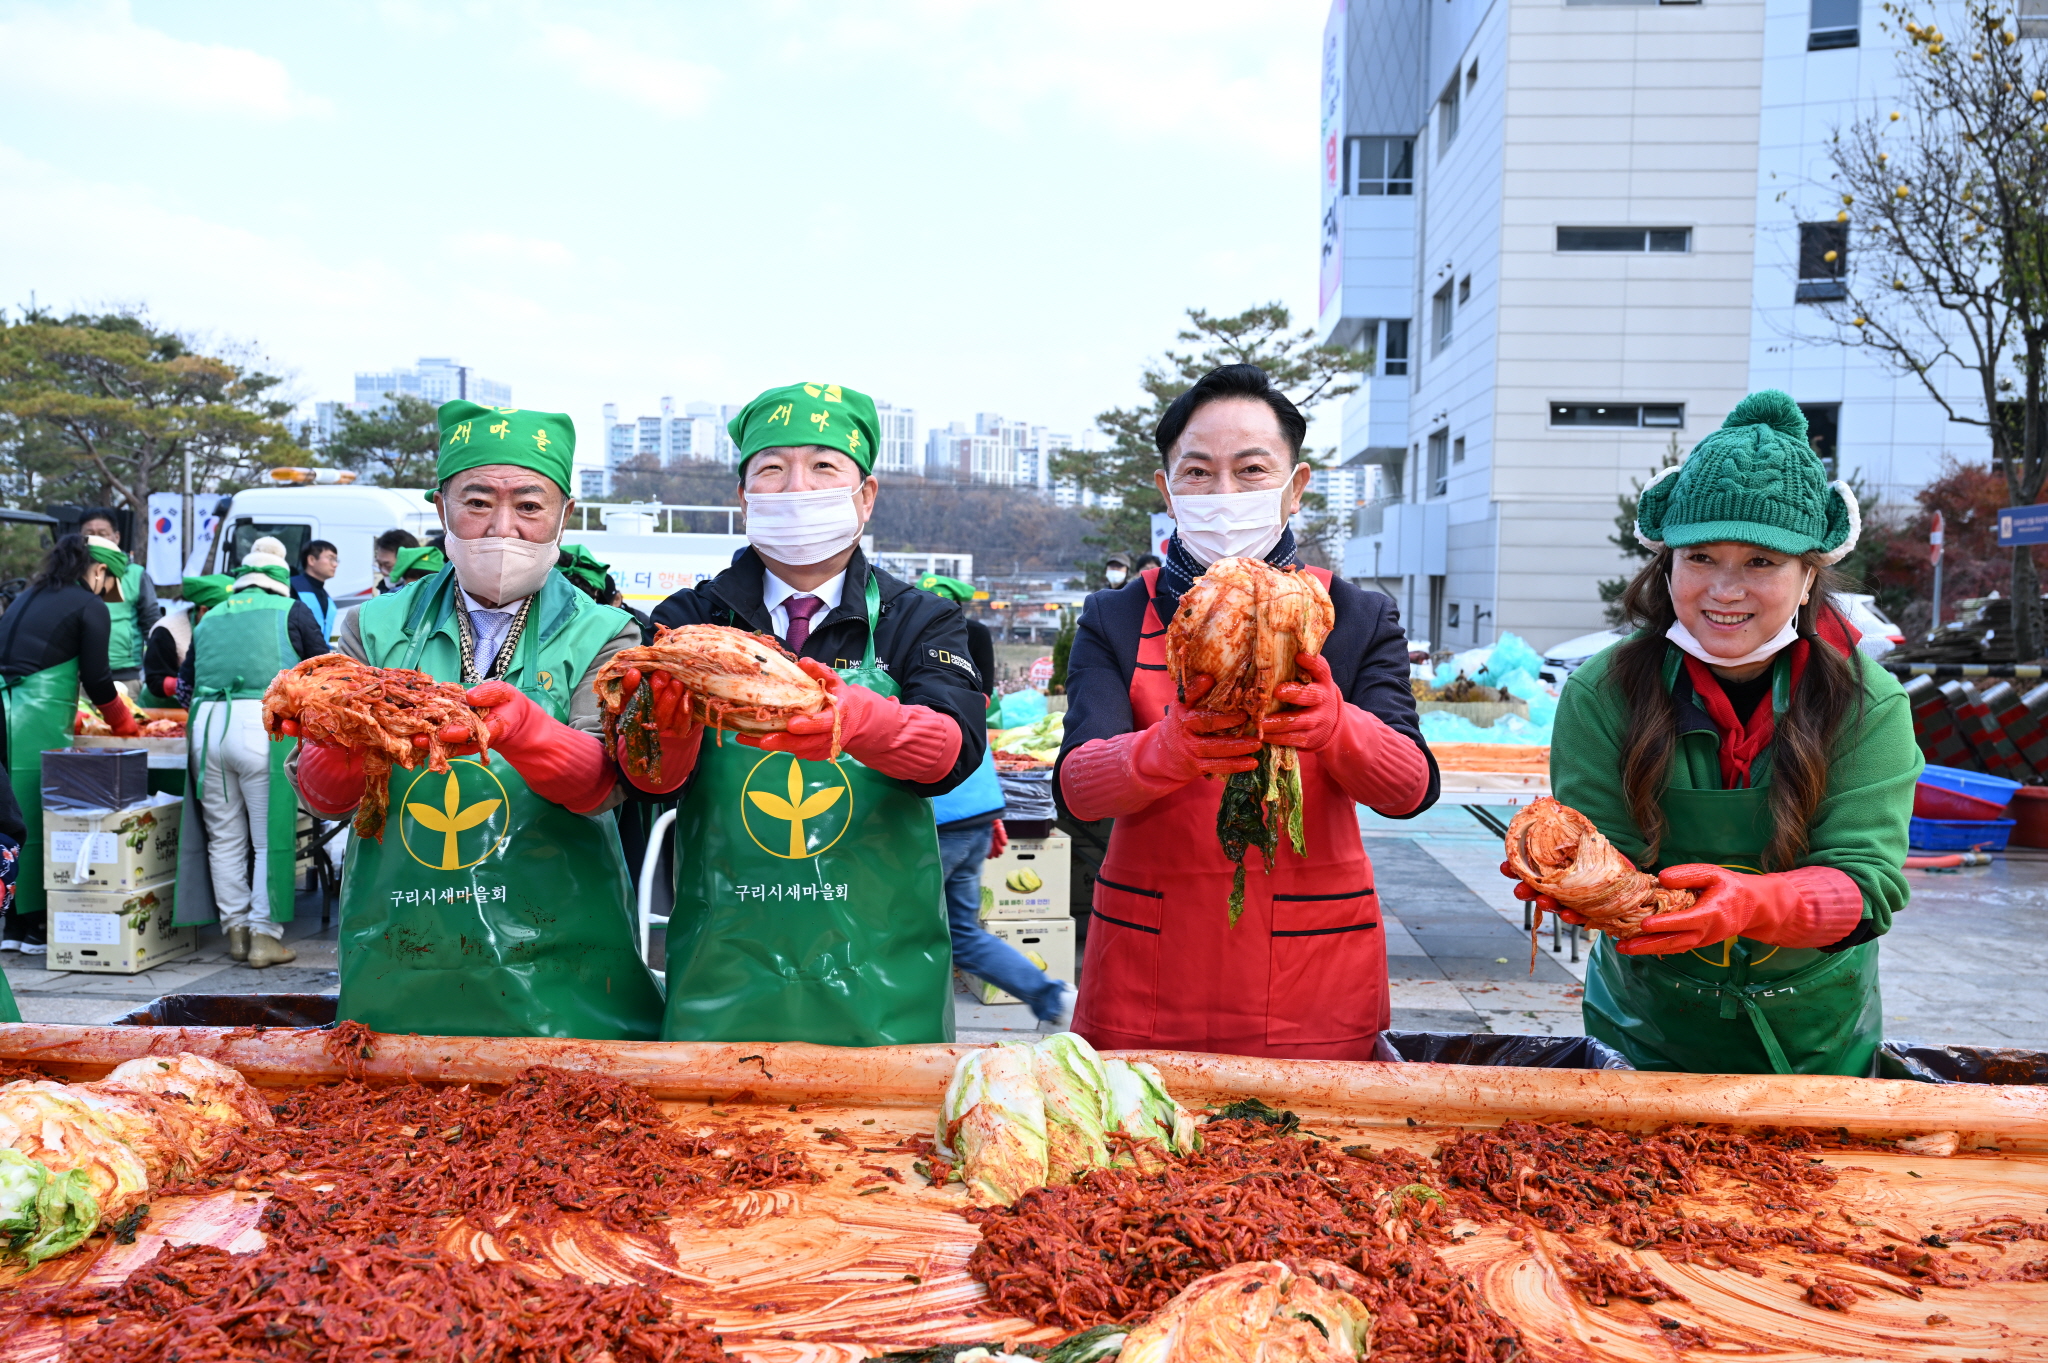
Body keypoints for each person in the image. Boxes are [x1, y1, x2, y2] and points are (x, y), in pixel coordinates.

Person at [1504, 392, 1918, 1076]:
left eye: (1761, 561)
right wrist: (1575, 881)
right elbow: (1611, 856)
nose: (1725, 589)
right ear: (1666, 563)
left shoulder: (1868, 703)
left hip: (1814, 1039)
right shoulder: (1603, 693)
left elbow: (1865, 887)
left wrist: (1751, 903)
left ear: (1809, 573)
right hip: (1644, 1029)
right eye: (1700, 556)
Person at [1054, 363, 1438, 1060]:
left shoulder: (1352, 616)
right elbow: (1077, 792)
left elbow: (1410, 787)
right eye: (1198, 473)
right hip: (1146, 973)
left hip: (1312, 979)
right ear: (1167, 490)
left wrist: (1335, 726)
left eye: (1252, 469)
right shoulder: (1114, 617)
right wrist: (1164, 749)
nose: (1224, 493)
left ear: (1295, 488)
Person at [621, 381, 987, 1046]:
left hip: (881, 988)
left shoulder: (919, 617)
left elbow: (953, 749)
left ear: (865, 496)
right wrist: (664, 732)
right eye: (771, 468)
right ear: (744, 497)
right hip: (724, 980)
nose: (796, 488)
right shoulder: (687, 622)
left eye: (823, 467)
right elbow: (647, 781)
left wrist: (869, 722)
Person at [290, 401, 663, 1039]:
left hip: (561, 970)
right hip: (402, 958)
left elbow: (605, 785)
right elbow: (325, 798)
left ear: (564, 515)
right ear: (441, 507)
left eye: (529, 505)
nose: (502, 527)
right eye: (477, 501)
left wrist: (527, 732)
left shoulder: (608, 632)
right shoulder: (369, 628)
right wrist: (349, 735)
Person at [920, 573, 1075, 1026]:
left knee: (905, 926)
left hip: (939, 816)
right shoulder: (962, 653)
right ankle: (1053, 998)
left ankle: (908, 1024)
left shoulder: (901, 653)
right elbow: (972, 726)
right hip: (975, 802)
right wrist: (987, 815)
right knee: (962, 934)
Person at [176, 538, 329, 967]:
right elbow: (324, 672)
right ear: (280, 577)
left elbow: (184, 685)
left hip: (207, 725)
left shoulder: (210, 617)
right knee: (269, 838)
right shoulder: (292, 611)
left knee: (223, 839)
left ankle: (236, 932)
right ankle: (265, 935)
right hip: (262, 723)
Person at [0, 534, 143, 953]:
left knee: (6, 816)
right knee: (38, 811)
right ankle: (38, 925)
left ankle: (11, 924)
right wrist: (126, 726)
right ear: (98, 571)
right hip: (32, 714)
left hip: (4, 707)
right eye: (107, 580)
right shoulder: (88, 605)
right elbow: (99, 680)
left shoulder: (31, 594)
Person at [78, 510, 160, 683]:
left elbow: (151, 621)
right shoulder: (69, 575)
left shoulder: (136, 574)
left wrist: (157, 669)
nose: (96, 540)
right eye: (89, 534)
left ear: (116, 537)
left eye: (102, 534)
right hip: (78, 676)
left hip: (125, 675)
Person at [144, 574, 232, 703]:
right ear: (203, 610)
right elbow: (156, 681)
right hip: (166, 707)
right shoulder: (167, 630)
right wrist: (188, 684)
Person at [291, 540, 340, 640]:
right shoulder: (292, 587)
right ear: (312, 560)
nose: (335, 564)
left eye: (336, 560)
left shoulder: (325, 596)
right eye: (331, 559)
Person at [372, 529, 419, 594]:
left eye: (388, 566)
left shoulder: (421, 594)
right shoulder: (384, 589)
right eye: (379, 564)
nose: (383, 572)